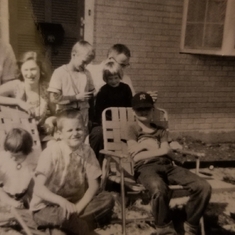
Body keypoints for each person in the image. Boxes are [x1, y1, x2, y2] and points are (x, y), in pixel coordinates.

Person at [126, 92, 212, 235]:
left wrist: (146, 147)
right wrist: (158, 149)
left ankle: (190, 225)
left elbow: (166, 150)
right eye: (139, 109)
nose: (143, 111)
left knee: (204, 186)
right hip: (145, 168)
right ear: (133, 111)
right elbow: (136, 157)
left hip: (168, 166)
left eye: (146, 108)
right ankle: (164, 229)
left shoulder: (161, 130)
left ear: (152, 110)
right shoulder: (132, 129)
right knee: (158, 189)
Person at [30, 109, 114, 234]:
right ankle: (75, 225)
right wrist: (61, 201)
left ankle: (63, 225)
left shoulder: (87, 151)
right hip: (47, 206)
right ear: (59, 134)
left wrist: (78, 208)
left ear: (85, 130)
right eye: (70, 130)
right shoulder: (51, 152)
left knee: (107, 199)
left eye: (78, 129)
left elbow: (93, 185)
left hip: (75, 203)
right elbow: (38, 188)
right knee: (60, 216)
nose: (75, 133)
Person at [90, 61, 133, 164]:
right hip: (107, 123)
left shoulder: (126, 89)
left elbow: (130, 107)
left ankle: (130, 162)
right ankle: (95, 163)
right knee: (98, 134)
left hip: (123, 122)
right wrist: (105, 124)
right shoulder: (103, 91)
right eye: (110, 79)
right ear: (106, 78)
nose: (114, 81)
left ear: (120, 76)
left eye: (116, 78)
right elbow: (99, 111)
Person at [48, 40, 95, 127]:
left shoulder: (87, 73)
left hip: (83, 116)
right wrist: (75, 97)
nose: (85, 66)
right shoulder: (60, 72)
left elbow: (91, 96)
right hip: (66, 116)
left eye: (87, 63)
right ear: (73, 55)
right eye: (84, 62)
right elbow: (53, 98)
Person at [0, 51, 51, 126]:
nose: (29, 74)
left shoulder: (47, 88)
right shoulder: (17, 85)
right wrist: (18, 102)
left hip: (41, 133)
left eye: (33, 69)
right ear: (21, 71)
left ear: (40, 69)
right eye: (26, 70)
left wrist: (50, 120)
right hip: (18, 133)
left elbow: (56, 113)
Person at [0, 128, 36, 209]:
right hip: (5, 195)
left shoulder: (32, 160)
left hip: (24, 195)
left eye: (18, 156)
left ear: (27, 152)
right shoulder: (3, 158)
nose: (13, 159)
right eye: (11, 155)